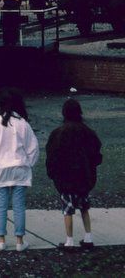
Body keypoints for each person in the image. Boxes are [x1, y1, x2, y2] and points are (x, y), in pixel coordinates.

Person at [0, 89, 39, 252]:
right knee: (19, 205)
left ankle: (1, 240)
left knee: (1, 204)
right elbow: (33, 149)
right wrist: (29, 165)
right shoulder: (22, 123)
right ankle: (20, 241)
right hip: (19, 168)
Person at [46, 98, 103, 250]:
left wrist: (53, 173)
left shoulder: (58, 133)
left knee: (68, 209)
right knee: (84, 207)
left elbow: (52, 156)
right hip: (84, 178)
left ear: (64, 113)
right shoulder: (88, 133)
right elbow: (96, 156)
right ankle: (88, 237)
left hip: (65, 179)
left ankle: (69, 241)